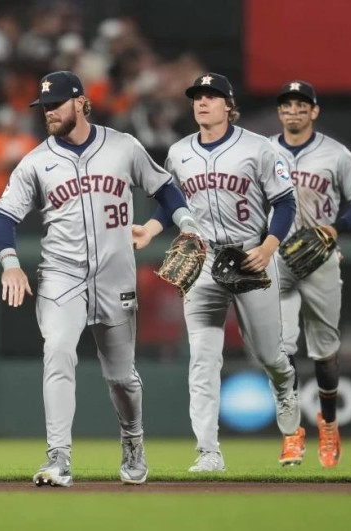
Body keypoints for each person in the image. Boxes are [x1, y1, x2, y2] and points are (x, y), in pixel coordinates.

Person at [0, 70, 199, 487]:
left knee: (122, 378)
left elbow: (165, 189)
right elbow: (4, 215)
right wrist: (10, 262)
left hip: (115, 275)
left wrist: (187, 222)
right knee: (58, 352)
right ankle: (58, 458)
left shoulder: (123, 147)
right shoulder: (37, 161)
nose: (49, 112)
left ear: (81, 103)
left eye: (57, 104)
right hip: (60, 275)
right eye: (44, 106)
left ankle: (133, 441)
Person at [133, 73, 301, 471]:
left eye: (212, 96)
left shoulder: (258, 148)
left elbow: (286, 204)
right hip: (204, 259)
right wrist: (152, 228)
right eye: (197, 97)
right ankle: (209, 451)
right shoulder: (178, 152)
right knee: (203, 359)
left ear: (229, 105)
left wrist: (268, 246)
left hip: (250, 256)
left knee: (267, 354)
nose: (202, 102)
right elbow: (170, 202)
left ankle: (284, 388)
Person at [271, 80, 351, 467]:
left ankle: (328, 425)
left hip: (320, 258)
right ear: (280, 112)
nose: (293, 111)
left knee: (325, 353)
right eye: (287, 105)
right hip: (276, 255)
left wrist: (336, 227)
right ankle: (291, 434)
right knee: (278, 349)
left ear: (314, 111)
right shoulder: (263, 151)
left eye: (301, 105)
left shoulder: (335, 153)